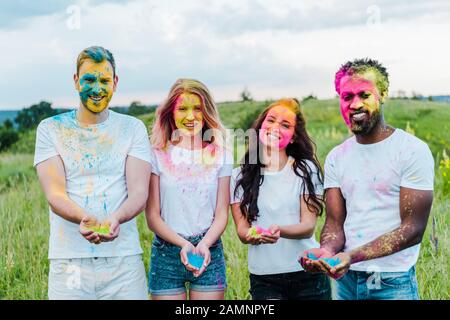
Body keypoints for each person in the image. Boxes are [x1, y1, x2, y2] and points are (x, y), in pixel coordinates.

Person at [301, 58, 434, 300]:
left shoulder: (412, 150)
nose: (355, 104)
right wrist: (326, 251)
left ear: (382, 94)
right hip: (347, 282)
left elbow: (413, 229)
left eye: (364, 95)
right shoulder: (336, 157)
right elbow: (334, 223)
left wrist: (352, 256)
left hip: (393, 282)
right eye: (347, 97)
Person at [34, 46, 152, 300]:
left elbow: (140, 192)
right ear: (76, 81)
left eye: (104, 80)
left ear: (115, 83)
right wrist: (84, 218)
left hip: (124, 261)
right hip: (69, 261)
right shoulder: (50, 129)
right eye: (89, 79)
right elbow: (55, 193)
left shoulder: (133, 128)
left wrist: (116, 218)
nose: (97, 88)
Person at [230, 98, 331, 300]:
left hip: (307, 272)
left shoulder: (305, 170)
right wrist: (253, 235)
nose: (275, 127)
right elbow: (242, 231)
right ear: (260, 127)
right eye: (271, 120)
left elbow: (308, 227)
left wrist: (279, 230)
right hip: (264, 278)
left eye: (285, 125)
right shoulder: (238, 176)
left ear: (293, 137)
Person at [146, 78, 232, 300]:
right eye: (182, 109)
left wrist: (203, 244)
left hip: (208, 249)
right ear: (171, 112)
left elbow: (222, 214)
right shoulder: (157, 153)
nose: (191, 116)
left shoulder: (221, 154)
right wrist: (183, 244)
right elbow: (153, 217)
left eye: (198, 109)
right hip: (167, 252)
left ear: (207, 112)